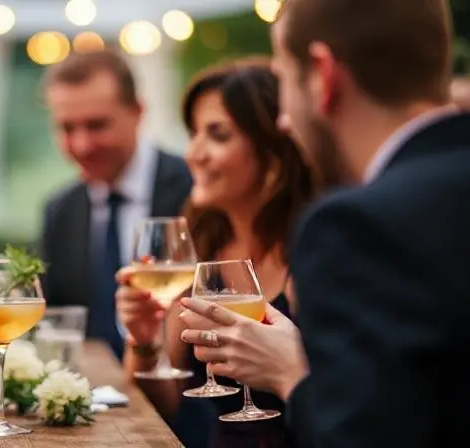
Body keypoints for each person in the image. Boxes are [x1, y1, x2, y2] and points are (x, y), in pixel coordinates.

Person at [180, 0, 470, 446]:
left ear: (323, 75)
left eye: (286, 81)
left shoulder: (357, 225)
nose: (283, 119)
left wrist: (291, 373)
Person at [116, 57, 317, 448]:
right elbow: (162, 404)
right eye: (193, 133)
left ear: (273, 149)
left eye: (218, 134)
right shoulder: (204, 241)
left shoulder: (313, 250)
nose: (194, 153)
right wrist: (143, 341)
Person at [39, 50, 193, 360]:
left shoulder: (193, 189)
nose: (82, 145)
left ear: (137, 112)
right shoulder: (60, 210)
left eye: (96, 126)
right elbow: (51, 318)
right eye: (68, 129)